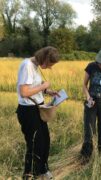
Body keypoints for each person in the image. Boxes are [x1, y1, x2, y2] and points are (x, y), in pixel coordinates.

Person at [16, 46, 60, 179]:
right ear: (44, 59)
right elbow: (24, 92)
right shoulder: (27, 65)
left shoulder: (34, 66)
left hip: (37, 108)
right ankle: (29, 174)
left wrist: (47, 91)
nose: (49, 67)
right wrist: (43, 86)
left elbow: (33, 86)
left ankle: (42, 170)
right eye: (49, 64)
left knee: (44, 140)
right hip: (28, 111)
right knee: (34, 143)